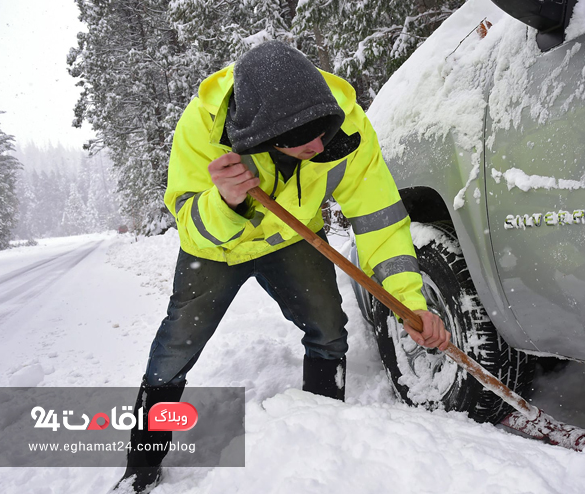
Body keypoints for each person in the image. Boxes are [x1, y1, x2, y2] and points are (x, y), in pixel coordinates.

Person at [115, 40, 450, 492]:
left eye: (321, 132)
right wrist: (225, 201)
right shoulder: (203, 129)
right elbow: (190, 226)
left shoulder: (347, 128)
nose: (316, 145)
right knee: (174, 350)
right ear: (263, 134)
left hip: (295, 238)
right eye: (298, 138)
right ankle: (142, 465)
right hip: (219, 248)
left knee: (330, 331)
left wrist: (408, 301)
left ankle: (323, 429)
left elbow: (381, 223)